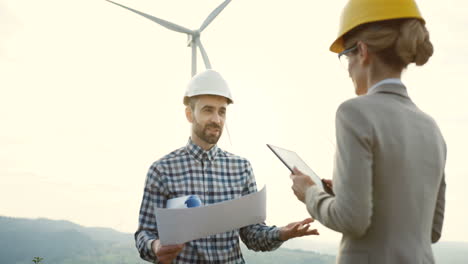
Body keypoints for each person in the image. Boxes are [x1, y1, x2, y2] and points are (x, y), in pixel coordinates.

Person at [289, 0, 446, 263]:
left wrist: (310, 193)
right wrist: (348, 191)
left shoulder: (353, 113)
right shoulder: (432, 128)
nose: (347, 68)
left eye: (345, 55)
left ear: (361, 51)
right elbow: (432, 230)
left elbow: (352, 220)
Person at [135, 69, 319, 264]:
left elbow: (252, 235)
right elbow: (144, 233)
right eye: (208, 110)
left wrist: (281, 233)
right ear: (189, 114)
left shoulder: (241, 168)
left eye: (222, 111)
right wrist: (155, 246)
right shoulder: (162, 170)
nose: (217, 119)